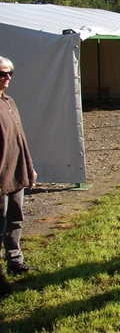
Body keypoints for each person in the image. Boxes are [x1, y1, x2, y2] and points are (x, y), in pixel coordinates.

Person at [0, 56, 36, 297]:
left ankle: (15, 260)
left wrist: (29, 167)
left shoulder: (8, 101)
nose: (8, 77)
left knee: (15, 220)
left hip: (17, 173)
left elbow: (20, 138)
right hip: (0, 178)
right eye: (2, 73)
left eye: (10, 72)